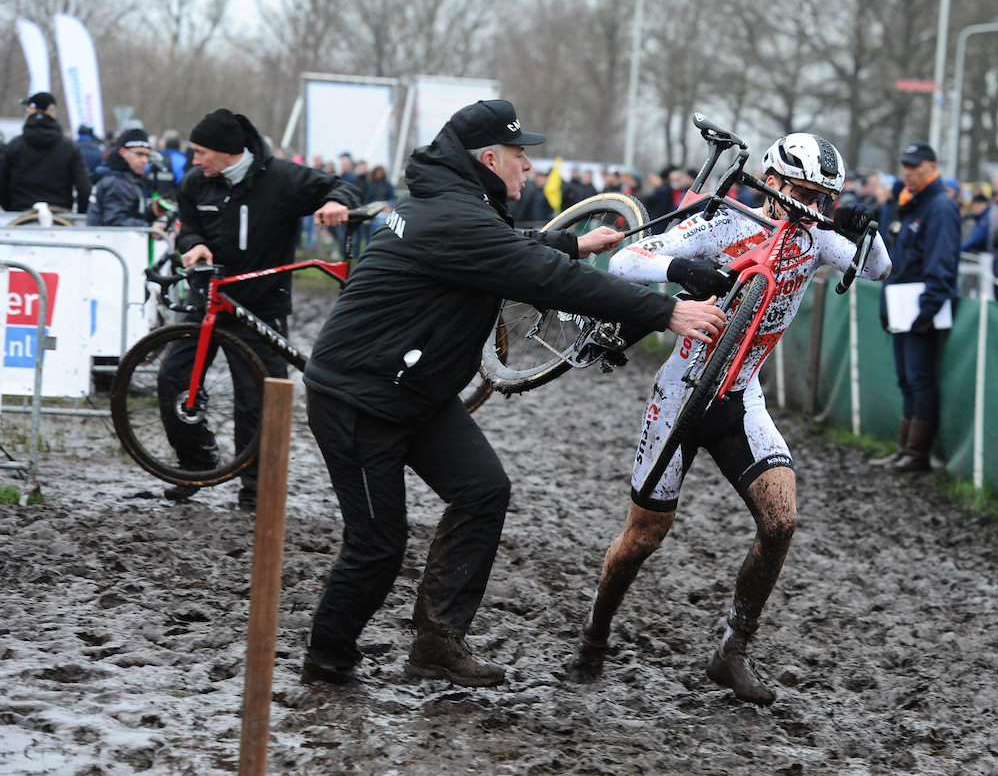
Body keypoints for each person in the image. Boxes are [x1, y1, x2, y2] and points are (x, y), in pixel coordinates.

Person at [299, 99, 725, 688]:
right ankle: (327, 659)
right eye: (522, 157)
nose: (530, 169)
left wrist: (574, 245)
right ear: (490, 158)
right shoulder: (456, 215)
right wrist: (665, 310)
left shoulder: (453, 201)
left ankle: (437, 643)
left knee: (483, 491)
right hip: (358, 395)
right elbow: (534, 273)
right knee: (377, 544)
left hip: (414, 391)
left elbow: (511, 248)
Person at [571, 133, 891, 706]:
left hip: (740, 398)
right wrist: (679, 270)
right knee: (644, 537)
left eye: (823, 199)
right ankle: (595, 634)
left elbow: (878, 269)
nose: (812, 208)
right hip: (680, 396)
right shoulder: (727, 222)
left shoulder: (816, 238)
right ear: (771, 182)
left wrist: (868, 230)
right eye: (801, 193)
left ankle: (732, 651)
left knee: (781, 523)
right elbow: (623, 259)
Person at [160, 108, 361, 510]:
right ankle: (198, 463)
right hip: (207, 300)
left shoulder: (282, 177)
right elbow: (188, 226)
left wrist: (338, 202)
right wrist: (192, 244)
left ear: (228, 151)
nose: (194, 160)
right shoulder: (197, 182)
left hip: (262, 305)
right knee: (171, 379)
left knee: (257, 401)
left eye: (201, 152)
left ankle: (256, 487)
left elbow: (344, 188)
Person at [877, 140, 961, 472]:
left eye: (914, 166)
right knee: (907, 379)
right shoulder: (910, 204)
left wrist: (925, 311)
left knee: (920, 379)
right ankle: (905, 448)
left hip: (920, 310)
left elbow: (941, 264)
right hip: (903, 308)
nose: (907, 172)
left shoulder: (940, 207)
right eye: (905, 165)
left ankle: (917, 452)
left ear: (932, 167)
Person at [0, 92, 91, 213]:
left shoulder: (14, 146)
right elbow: (84, 187)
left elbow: (2, 183)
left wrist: (10, 208)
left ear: (32, 110)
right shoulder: (69, 147)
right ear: (51, 112)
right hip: (61, 218)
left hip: (20, 217)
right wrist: (79, 215)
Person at [86, 128, 166, 228]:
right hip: (109, 241)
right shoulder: (116, 181)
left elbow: (132, 214)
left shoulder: (129, 177)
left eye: (147, 155)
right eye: (139, 154)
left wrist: (152, 212)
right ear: (123, 152)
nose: (145, 160)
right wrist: (149, 228)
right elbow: (115, 221)